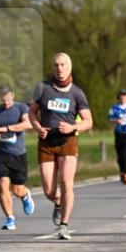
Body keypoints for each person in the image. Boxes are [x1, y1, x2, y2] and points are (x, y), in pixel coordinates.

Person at [29, 52, 93, 240]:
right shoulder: (42, 88)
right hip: (46, 141)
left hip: (67, 141)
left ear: (69, 67)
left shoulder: (77, 92)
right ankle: (58, 202)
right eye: (56, 65)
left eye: (63, 65)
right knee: (49, 190)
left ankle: (64, 225)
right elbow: (31, 113)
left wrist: (73, 127)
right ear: (52, 67)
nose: (60, 68)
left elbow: (88, 121)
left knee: (67, 184)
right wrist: (37, 127)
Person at [0, 84, 35, 230]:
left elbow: (28, 124)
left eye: (8, 99)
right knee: (3, 184)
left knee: (17, 190)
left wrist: (8, 128)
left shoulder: (21, 108)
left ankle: (25, 195)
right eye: (3, 100)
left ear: (13, 95)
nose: (6, 102)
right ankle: (10, 218)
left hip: (18, 155)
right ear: (0, 97)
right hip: (2, 154)